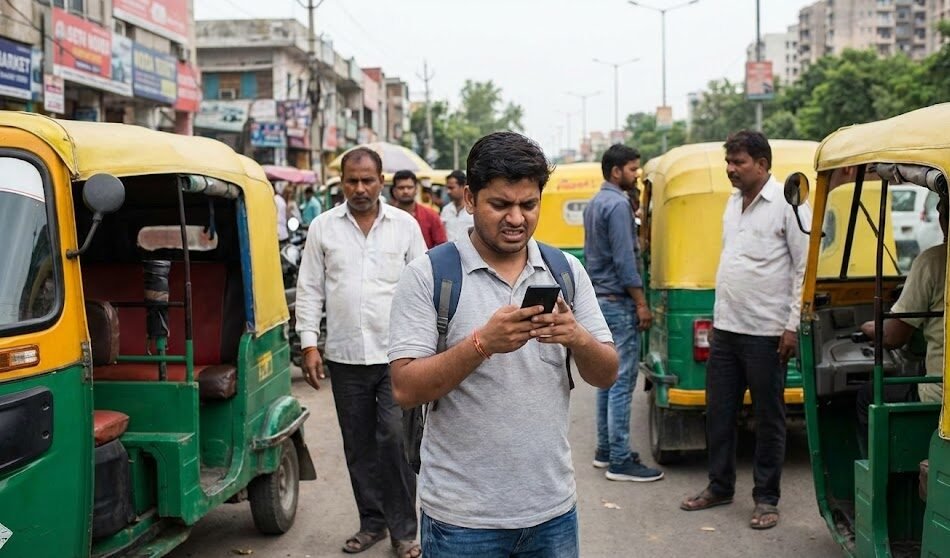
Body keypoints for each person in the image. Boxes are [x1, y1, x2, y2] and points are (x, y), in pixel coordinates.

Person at [389, 131, 618, 557]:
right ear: (471, 199)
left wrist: (578, 337)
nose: (516, 218)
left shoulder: (565, 270)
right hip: (462, 521)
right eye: (501, 204)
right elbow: (405, 388)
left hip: (552, 512)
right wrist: (482, 344)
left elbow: (606, 373)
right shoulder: (429, 276)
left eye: (528, 205)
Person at [295, 147, 426, 558]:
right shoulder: (322, 228)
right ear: (342, 183)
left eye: (368, 180)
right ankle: (371, 522)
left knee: (394, 440)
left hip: (397, 356)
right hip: (345, 354)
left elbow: (422, 287)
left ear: (381, 181)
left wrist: (427, 346)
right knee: (358, 444)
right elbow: (310, 288)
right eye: (352, 180)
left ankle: (404, 530)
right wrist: (309, 343)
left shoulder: (404, 226)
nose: (360, 188)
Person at [680, 130, 810, 531]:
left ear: (762, 165)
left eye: (738, 162)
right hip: (727, 329)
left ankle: (766, 499)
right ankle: (720, 486)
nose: (730, 170)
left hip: (767, 333)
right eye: (728, 162)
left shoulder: (788, 206)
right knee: (719, 413)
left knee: (769, 418)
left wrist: (791, 328)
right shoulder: (733, 204)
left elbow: (804, 270)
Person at [583, 144, 662, 483]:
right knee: (621, 381)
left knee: (607, 377)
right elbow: (624, 261)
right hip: (618, 299)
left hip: (602, 298)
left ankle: (605, 450)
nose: (636, 175)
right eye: (632, 169)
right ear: (616, 171)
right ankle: (619, 458)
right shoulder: (616, 205)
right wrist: (641, 302)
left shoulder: (595, 202)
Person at [856, 195, 947, 455]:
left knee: (867, 395)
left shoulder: (933, 262)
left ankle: (881, 483)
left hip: (940, 394)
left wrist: (868, 328)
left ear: (943, 218)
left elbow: (893, 336)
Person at [391, 169, 448, 249]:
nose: (406, 191)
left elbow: (442, 245)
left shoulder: (431, 215)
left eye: (409, 187)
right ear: (394, 191)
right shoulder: (387, 217)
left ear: (416, 189)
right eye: (401, 188)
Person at [440, 170, 475, 243]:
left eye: (452, 188)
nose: (448, 192)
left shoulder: (474, 209)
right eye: (447, 188)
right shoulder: (446, 210)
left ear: (463, 187)